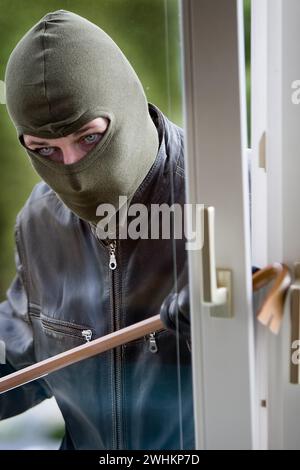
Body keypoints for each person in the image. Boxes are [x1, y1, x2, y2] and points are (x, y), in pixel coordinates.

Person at [0, 10, 193, 449]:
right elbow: (19, 351)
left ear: (125, 106)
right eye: (45, 149)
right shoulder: (40, 220)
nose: (75, 174)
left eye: (89, 138)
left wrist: (239, 331)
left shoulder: (232, 194)